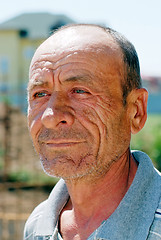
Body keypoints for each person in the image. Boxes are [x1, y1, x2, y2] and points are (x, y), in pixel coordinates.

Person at [24, 24, 161, 240]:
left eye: (80, 91)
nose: (50, 117)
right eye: (40, 94)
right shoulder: (36, 226)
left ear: (136, 111)